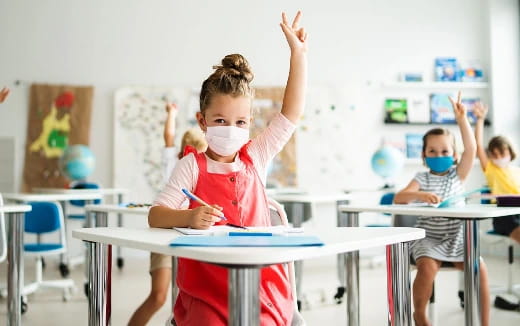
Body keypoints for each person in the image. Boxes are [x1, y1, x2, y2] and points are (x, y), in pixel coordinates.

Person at [148, 11, 307, 326]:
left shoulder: (256, 156)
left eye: (240, 122)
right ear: (202, 121)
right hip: (206, 289)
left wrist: (298, 55)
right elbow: (156, 215)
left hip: (262, 284)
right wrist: (189, 217)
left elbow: (291, 113)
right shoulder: (191, 165)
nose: (230, 129)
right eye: (220, 121)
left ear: (249, 123)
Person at [394, 92, 490, 326]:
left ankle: (485, 322)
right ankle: (420, 315)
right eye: (432, 151)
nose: (439, 155)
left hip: (458, 238)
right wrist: (420, 195)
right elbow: (399, 198)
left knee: (480, 268)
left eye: (445, 151)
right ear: (424, 155)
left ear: (454, 156)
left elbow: (472, 147)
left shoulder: (459, 175)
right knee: (426, 267)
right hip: (429, 238)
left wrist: (462, 119)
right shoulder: (421, 178)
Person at [128, 103, 207, 326]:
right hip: (164, 234)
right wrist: (171, 114)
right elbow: (169, 135)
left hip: (188, 237)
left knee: (189, 298)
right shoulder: (173, 162)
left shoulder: (204, 168)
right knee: (159, 296)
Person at [473, 102, 520, 243]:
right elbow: (478, 146)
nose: (498, 157)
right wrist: (480, 120)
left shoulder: (516, 171)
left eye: (502, 153)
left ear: (510, 152)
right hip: (504, 216)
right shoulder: (490, 169)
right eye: (494, 154)